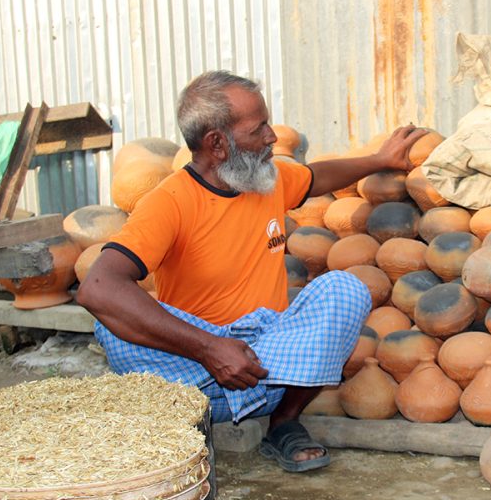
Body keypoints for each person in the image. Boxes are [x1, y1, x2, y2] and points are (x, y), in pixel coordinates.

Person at [78, 70, 426, 473]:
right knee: (108, 326)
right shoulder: (168, 202)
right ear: (217, 144)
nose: (272, 138)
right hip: (195, 365)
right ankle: (188, 412)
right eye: (258, 128)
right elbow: (97, 288)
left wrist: (379, 160)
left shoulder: (265, 179)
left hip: (267, 362)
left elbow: (316, 178)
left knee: (345, 290)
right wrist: (210, 348)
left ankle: (283, 422)